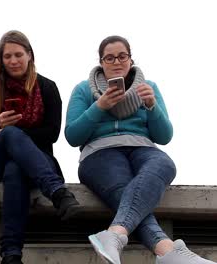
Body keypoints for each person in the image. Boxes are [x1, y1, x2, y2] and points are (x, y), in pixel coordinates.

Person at [65, 35, 216, 264]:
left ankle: (114, 234)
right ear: (101, 62)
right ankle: (167, 251)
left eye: (122, 56)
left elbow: (164, 136)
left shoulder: (149, 87)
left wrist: (152, 106)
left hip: (142, 148)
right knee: (125, 190)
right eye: (109, 58)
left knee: (164, 163)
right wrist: (99, 107)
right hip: (100, 153)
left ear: (131, 59)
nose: (116, 62)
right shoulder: (84, 90)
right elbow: (72, 136)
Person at [0, 30, 80, 264]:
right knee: (9, 135)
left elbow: (51, 134)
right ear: (0, 60)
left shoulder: (47, 87)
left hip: (36, 159)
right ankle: (57, 192)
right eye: (7, 56)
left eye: (18, 54)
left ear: (30, 55)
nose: (13, 61)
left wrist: (15, 134)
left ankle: (11, 254)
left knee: (15, 168)